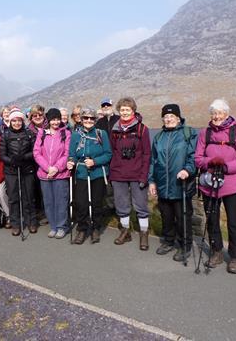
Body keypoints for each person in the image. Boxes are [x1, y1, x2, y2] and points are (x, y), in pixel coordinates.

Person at [195, 99, 236, 274]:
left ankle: (235, 257)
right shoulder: (204, 133)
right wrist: (210, 162)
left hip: (233, 185)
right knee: (211, 220)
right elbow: (197, 158)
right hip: (209, 184)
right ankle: (217, 251)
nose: (216, 116)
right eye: (213, 113)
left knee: (234, 222)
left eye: (220, 113)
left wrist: (226, 167)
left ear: (226, 114)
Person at [148, 104, 197, 260]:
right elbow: (152, 161)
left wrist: (187, 170)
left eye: (171, 116)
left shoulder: (188, 133)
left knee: (183, 217)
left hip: (181, 184)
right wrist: (152, 181)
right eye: (166, 117)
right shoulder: (158, 137)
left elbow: (193, 156)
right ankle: (169, 241)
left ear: (178, 118)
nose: (168, 119)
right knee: (166, 216)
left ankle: (185, 245)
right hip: (163, 184)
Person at [110, 97, 152, 250]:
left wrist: (144, 175)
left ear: (133, 111)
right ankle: (125, 231)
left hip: (137, 173)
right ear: (119, 111)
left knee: (141, 206)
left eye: (128, 109)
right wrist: (112, 173)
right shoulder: (114, 130)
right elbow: (113, 151)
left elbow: (147, 154)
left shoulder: (142, 129)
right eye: (122, 110)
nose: (125, 112)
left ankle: (144, 233)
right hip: (118, 173)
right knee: (122, 205)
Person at [67, 107, 112, 244]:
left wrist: (95, 161)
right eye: (85, 118)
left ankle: (95, 228)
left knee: (97, 202)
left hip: (97, 173)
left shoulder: (101, 133)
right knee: (81, 203)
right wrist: (70, 162)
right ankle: (82, 228)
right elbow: (72, 154)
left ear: (95, 120)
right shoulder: (76, 134)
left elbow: (108, 154)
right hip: (81, 172)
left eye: (91, 118)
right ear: (81, 119)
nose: (88, 120)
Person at [33, 108, 71, 239]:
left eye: (57, 119)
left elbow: (67, 154)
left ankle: (62, 226)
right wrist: (47, 168)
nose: (55, 122)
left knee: (61, 201)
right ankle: (53, 226)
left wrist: (56, 168)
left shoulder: (66, 133)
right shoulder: (42, 133)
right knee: (48, 202)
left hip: (61, 174)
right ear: (48, 120)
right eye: (53, 119)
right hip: (45, 174)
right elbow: (37, 153)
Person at [0, 107, 38, 236]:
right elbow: (2, 154)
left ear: (22, 121)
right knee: (13, 198)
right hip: (11, 171)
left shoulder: (29, 134)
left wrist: (24, 158)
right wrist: (12, 160)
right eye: (14, 121)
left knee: (29, 197)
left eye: (19, 120)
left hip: (27, 170)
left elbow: (34, 152)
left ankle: (31, 222)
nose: (17, 123)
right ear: (10, 121)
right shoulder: (5, 135)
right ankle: (15, 224)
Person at [27, 104, 47, 223]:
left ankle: (47, 211)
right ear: (31, 117)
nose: (38, 117)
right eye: (35, 115)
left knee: (46, 188)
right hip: (33, 163)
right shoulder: (28, 130)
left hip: (48, 162)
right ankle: (39, 211)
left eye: (40, 114)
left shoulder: (50, 127)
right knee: (36, 188)